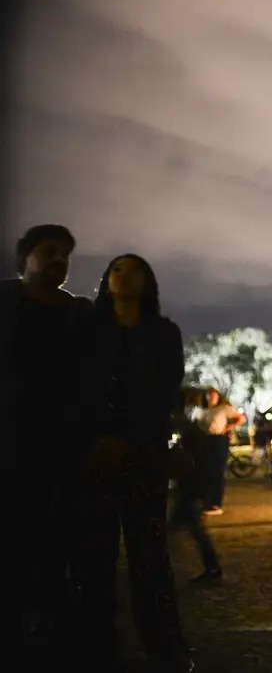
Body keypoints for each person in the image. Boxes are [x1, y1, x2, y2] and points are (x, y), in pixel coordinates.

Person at [74, 254, 193, 670]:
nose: (124, 277)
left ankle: (164, 644)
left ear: (149, 283)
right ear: (106, 280)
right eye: (117, 270)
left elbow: (164, 392)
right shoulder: (87, 328)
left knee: (150, 556)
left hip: (145, 456)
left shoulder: (163, 333)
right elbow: (76, 388)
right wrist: (97, 437)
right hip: (95, 456)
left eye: (134, 271)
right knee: (95, 555)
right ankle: (97, 642)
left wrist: (141, 441)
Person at [1, 225, 92, 658]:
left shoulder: (80, 314)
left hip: (67, 452)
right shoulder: (3, 302)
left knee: (61, 549)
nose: (59, 259)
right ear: (25, 258)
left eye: (65, 254)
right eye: (49, 251)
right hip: (12, 448)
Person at [170, 388, 223, 584]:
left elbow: (197, 460)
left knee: (188, 528)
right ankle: (210, 566)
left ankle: (210, 566)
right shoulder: (190, 426)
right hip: (191, 485)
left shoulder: (190, 428)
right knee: (190, 528)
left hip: (191, 485)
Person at [198, 388, 244, 515]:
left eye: (214, 395)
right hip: (206, 440)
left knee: (218, 471)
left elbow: (240, 418)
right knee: (207, 471)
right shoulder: (204, 410)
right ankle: (207, 501)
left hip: (219, 439)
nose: (212, 397)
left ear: (218, 397)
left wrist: (228, 427)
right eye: (209, 395)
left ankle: (216, 503)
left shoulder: (223, 408)